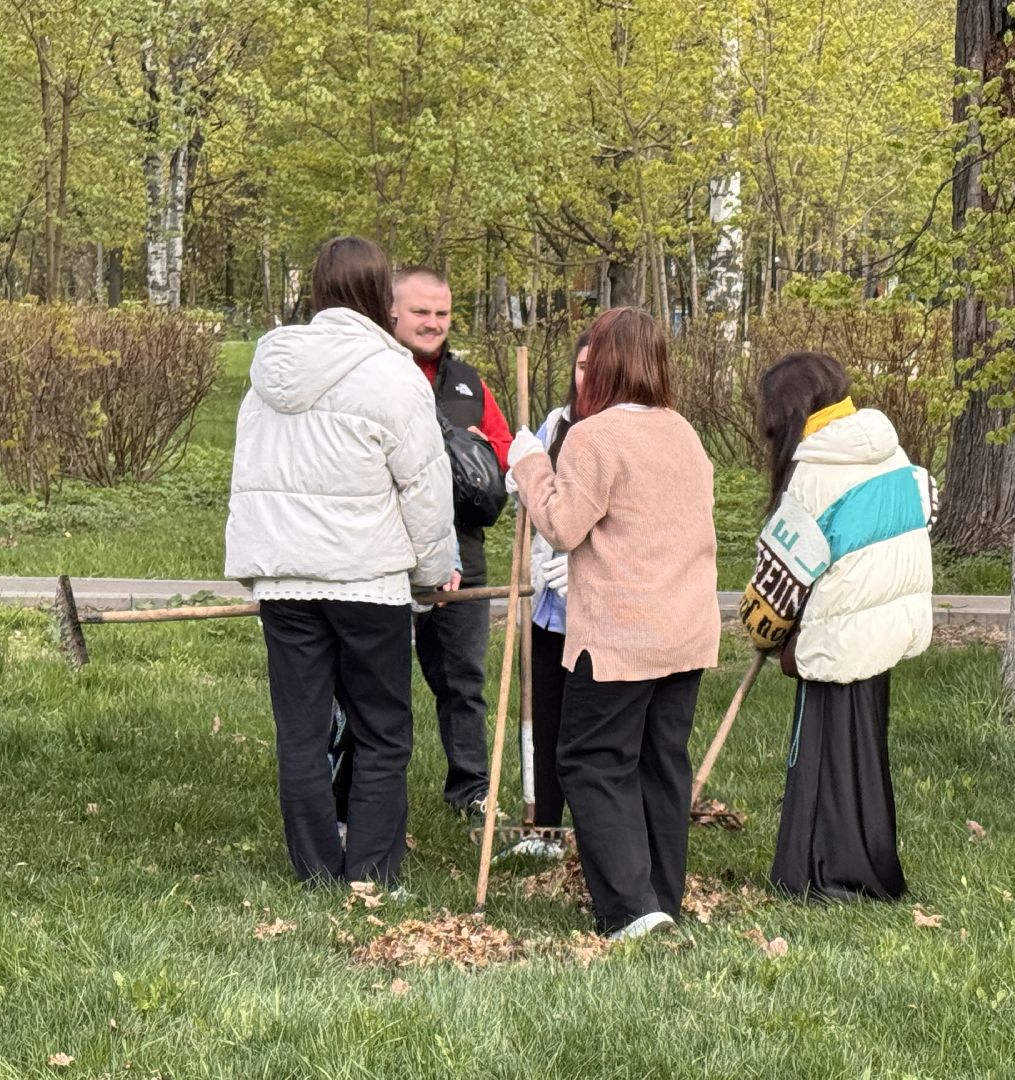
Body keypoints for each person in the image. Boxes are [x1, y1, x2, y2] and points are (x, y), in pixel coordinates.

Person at [224, 236, 456, 886]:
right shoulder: (395, 376)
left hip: (287, 582)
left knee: (301, 734)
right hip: (366, 582)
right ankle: (371, 876)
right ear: (382, 297)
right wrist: (433, 574)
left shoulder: (268, 376)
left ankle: (317, 873)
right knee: (382, 730)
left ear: (319, 291)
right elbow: (426, 489)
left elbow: (248, 475)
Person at [508, 307, 720, 941]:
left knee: (593, 760)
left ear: (601, 364)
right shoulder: (683, 432)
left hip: (623, 635)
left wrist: (530, 465)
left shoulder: (594, 436)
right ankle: (661, 897)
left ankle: (631, 907)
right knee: (660, 761)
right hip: (684, 630)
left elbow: (562, 524)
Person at [739, 351, 934, 902]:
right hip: (888, 628)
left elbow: (775, 590)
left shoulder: (814, 473)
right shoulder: (891, 451)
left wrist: (765, 633)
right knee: (863, 757)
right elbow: (926, 506)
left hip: (838, 637)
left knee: (823, 759)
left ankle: (825, 875)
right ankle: (871, 869)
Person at [391, 267, 514, 819]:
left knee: (464, 680)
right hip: (391, 554)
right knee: (381, 681)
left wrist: (488, 455)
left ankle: (471, 791)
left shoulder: (467, 381)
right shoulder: (378, 374)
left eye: (441, 313)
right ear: (392, 311)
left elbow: (507, 452)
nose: (432, 323)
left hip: (466, 552)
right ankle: (375, 790)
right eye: (420, 312)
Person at [519, 331, 589, 851]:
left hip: (595, 608)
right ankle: (545, 826)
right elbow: (536, 492)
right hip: (549, 604)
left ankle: (591, 831)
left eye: (599, 365)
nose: (587, 375)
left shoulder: (618, 433)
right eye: (581, 364)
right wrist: (520, 469)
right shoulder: (557, 423)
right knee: (546, 715)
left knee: (583, 727)